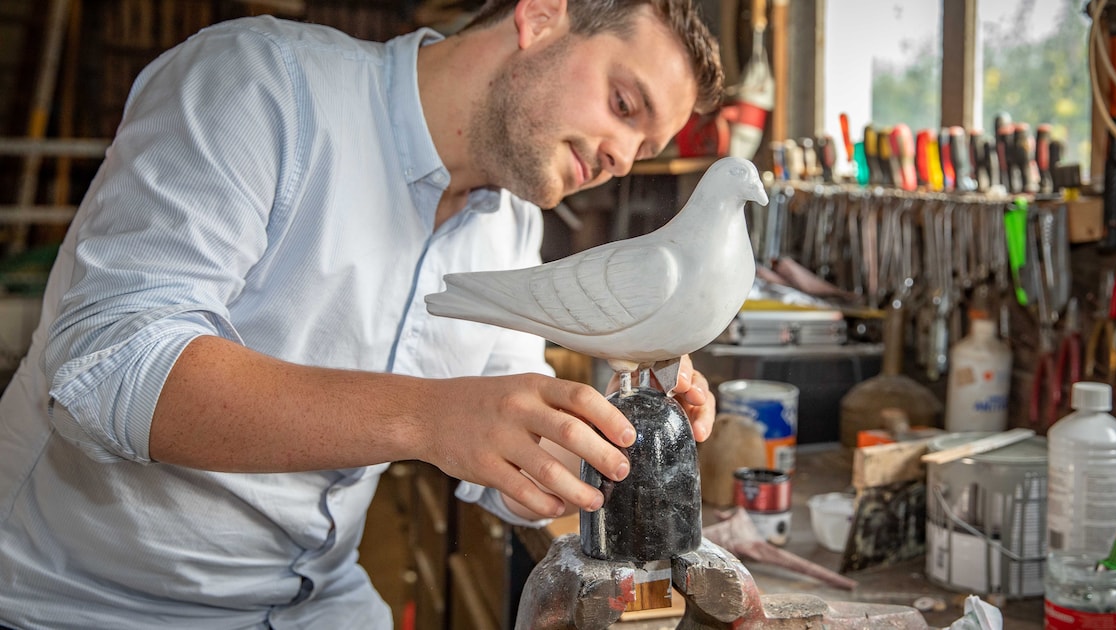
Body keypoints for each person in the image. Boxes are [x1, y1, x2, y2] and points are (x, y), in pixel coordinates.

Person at [0, 0, 726, 627]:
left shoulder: (505, 223)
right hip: (85, 602)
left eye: (645, 148)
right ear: (540, 17)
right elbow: (108, 369)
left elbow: (513, 447)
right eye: (624, 107)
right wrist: (429, 417)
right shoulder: (260, 85)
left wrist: (621, 441)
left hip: (317, 604)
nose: (621, 157)